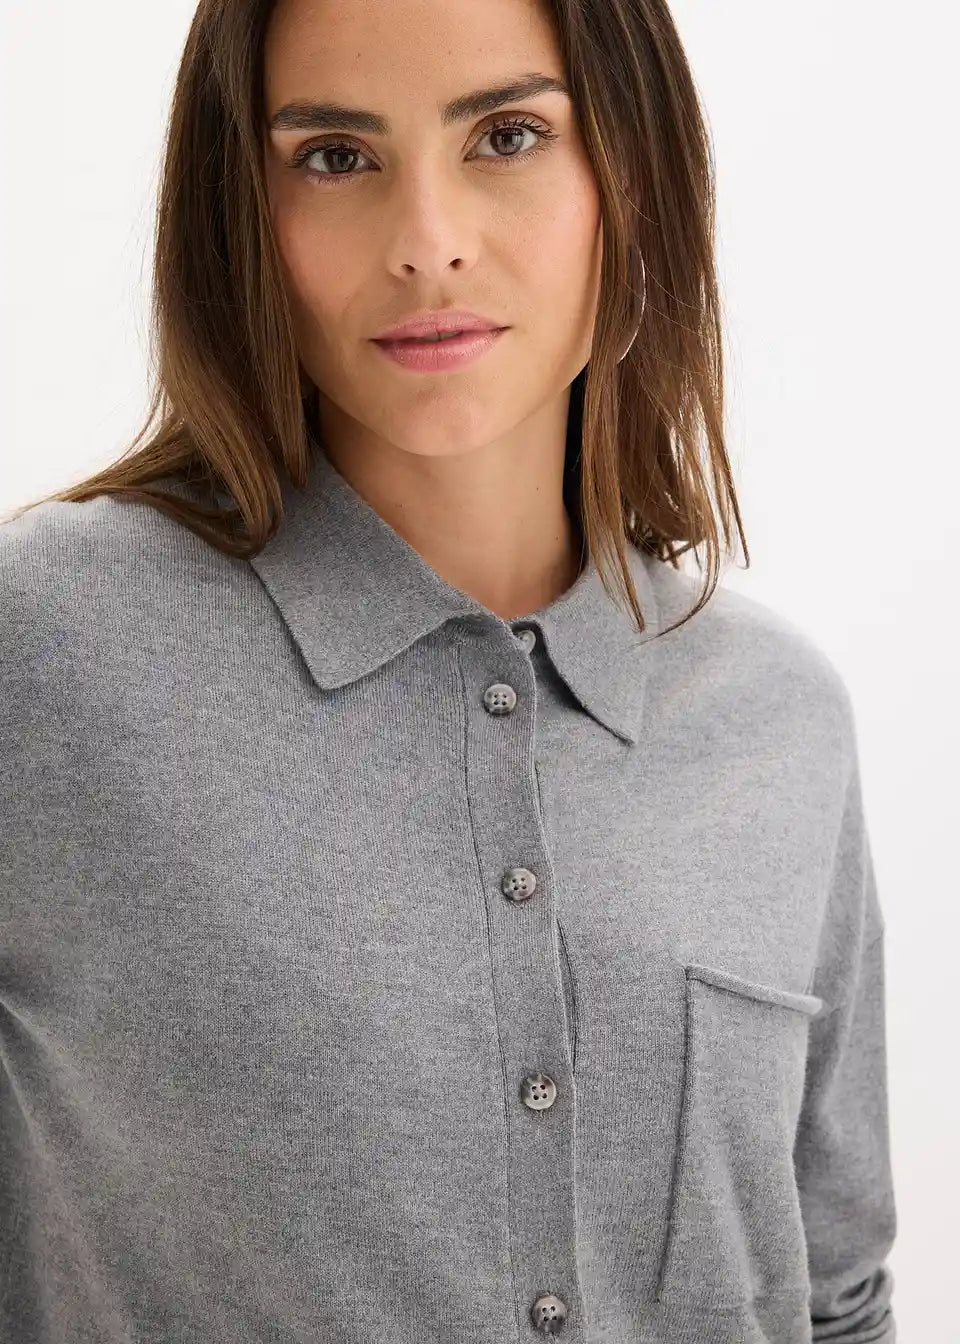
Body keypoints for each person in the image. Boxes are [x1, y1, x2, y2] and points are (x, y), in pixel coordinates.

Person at [0, 0, 897, 1340]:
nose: (428, 242)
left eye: (509, 136)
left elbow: (835, 1298)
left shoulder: (780, 719)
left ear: (636, 171)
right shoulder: (50, 648)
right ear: (240, 211)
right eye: (336, 158)